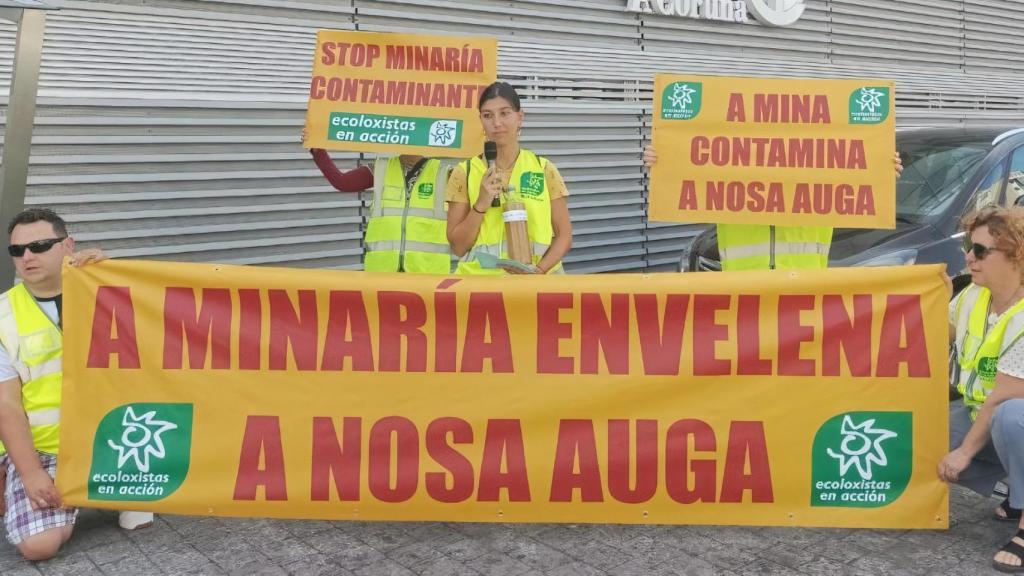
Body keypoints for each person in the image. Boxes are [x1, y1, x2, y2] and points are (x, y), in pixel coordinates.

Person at [0, 208, 152, 561]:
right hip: (46, 449)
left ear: (68, 245)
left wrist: (111, 274)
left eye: (40, 245)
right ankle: (76, 492)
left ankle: (106, 487)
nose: (27, 256)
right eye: (17, 250)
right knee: (38, 546)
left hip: (115, 438)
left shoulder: (106, 292)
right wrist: (31, 473)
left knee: (139, 519)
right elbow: (6, 404)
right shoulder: (3, 317)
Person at [642, 146, 903, 270]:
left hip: (802, 293)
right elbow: (693, 191)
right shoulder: (732, 176)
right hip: (745, 294)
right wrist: (666, 163)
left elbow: (857, 188)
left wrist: (880, 172)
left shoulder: (820, 175)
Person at [938, 206, 1024, 572]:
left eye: (980, 251)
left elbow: (1003, 396)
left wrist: (964, 453)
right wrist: (934, 298)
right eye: (968, 248)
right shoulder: (974, 295)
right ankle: (1018, 492)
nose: (969, 258)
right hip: (983, 414)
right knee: (923, 444)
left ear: (1016, 255)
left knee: (1012, 416)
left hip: (1010, 415)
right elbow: (940, 336)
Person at [446, 82, 572, 274]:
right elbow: (458, 247)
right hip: (482, 286)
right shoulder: (464, 173)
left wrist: (538, 271)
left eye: (505, 113)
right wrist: (481, 203)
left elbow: (564, 236)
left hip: (534, 284)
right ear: (480, 120)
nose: (496, 123)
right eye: (488, 115)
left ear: (520, 117)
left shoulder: (544, 169)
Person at [302, 130, 452, 273]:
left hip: (427, 274)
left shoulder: (445, 173)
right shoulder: (380, 168)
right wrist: (317, 149)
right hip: (383, 272)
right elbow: (342, 182)